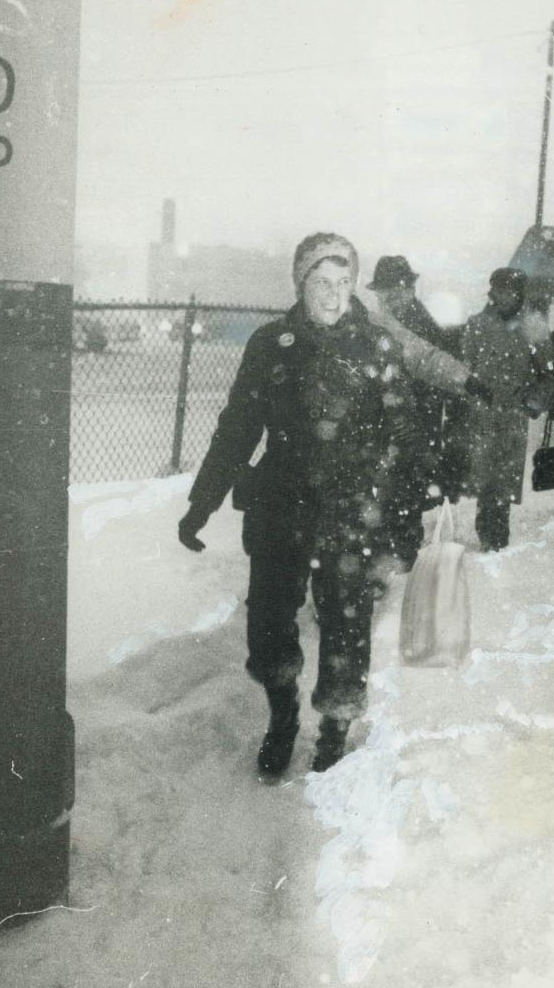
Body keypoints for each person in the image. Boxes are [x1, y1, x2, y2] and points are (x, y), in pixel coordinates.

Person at [175, 232, 482, 778]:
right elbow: (238, 428)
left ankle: (333, 733)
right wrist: (203, 501)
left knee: (346, 626)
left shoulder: (379, 347)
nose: (335, 296)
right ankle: (283, 718)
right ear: (301, 284)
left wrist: (419, 499)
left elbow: (406, 433)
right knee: (268, 623)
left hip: (351, 512)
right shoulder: (270, 345)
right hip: (279, 509)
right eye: (322, 282)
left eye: (344, 283)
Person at [365, 254, 475, 569]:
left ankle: (400, 563)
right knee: (386, 495)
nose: (390, 295)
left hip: (414, 425)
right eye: (384, 289)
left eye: (397, 288)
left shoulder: (423, 326)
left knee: (402, 496)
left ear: (411, 288)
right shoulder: (378, 323)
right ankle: (390, 557)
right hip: (383, 424)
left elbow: (444, 379)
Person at [460, 267, 554, 551]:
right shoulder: (477, 325)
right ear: (492, 292)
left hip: (513, 416)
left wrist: (534, 400)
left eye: (511, 292)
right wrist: (471, 395)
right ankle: (487, 535)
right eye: (499, 291)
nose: (504, 297)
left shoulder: (533, 327)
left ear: (520, 294)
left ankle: (496, 538)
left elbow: (552, 373)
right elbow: (464, 369)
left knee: (502, 482)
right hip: (482, 414)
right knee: (484, 480)